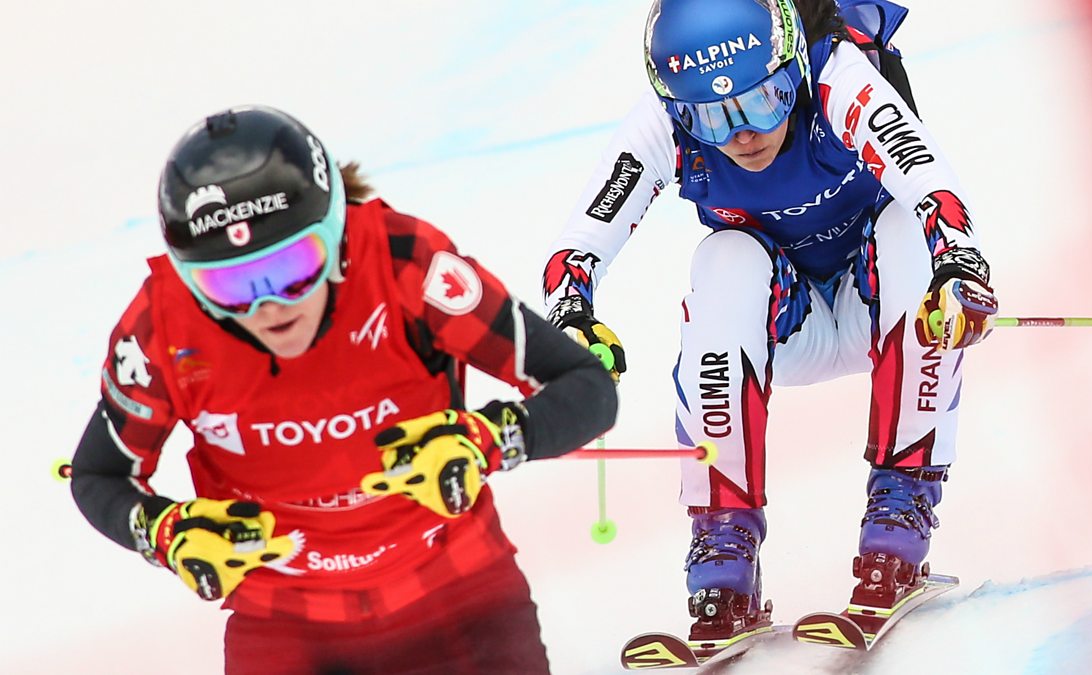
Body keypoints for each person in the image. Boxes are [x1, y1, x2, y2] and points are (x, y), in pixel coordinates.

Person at [69, 105, 617, 674]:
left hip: (459, 596)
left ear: (335, 232)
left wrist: (487, 439)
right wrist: (166, 532)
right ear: (190, 279)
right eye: (230, 284)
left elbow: (586, 387)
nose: (268, 305)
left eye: (293, 267)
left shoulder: (403, 264)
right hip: (286, 627)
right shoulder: (164, 326)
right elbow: (99, 475)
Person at [541, 0, 997, 643]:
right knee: (724, 256)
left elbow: (927, 179)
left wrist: (960, 266)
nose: (742, 135)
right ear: (680, 109)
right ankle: (724, 547)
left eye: (764, 101)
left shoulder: (837, 75)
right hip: (786, 324)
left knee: (907, 229)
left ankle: (899, 515)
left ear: (793, 70)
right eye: (712, 117)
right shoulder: (663, 122)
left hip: (880, 304)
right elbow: (583, 239)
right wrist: (571, 318)